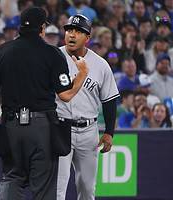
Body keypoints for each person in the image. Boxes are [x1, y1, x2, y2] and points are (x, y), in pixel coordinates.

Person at [0, 7, 88, 200]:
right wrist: (82, 75)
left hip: (11, 125)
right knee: (43, 186)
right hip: (42, 127)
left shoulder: (1, 52)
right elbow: (66, 95)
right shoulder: (52, 54)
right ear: (42, 28)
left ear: (20, 26)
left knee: (11, 178)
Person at [56, 14, 120, 200]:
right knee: (57, 189)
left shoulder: (100, 65)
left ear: (88, 38)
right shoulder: (54, 57)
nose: (72, 35)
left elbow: (109, 100)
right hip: (60, 127)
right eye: (69, 30)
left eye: (78, 31)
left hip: (88, 131)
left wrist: (109, 132)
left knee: (87, 188)